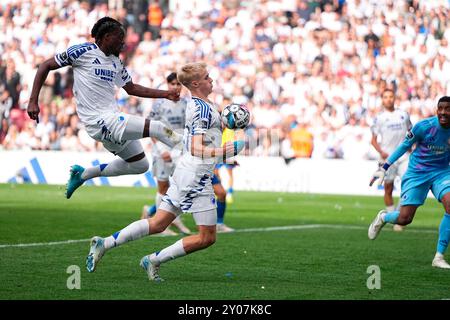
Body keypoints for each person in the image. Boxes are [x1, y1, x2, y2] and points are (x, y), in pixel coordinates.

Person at [85, 62, 245, 281]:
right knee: (206, 237)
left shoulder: (203, 104)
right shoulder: (202, 109)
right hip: (196, 178)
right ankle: (154, 259)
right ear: (196, 83)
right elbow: (197, 147)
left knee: (159, 223)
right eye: (207, 77)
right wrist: (224, 149)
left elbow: (205, 142)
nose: (212, 80)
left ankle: (106, 243)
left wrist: (230, 130)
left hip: (188, 172)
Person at [26, 17, 182, 199]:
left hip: (110, 121)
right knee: (157, 128)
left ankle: (84, 174)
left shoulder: (116, 61)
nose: (122, 43)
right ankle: (192, 151)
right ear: (106, 37)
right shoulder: (83, 51)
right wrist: (32, 100)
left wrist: (165, 93)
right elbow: (46, 65)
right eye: (119, 38)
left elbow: (131, 88)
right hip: (99, 121)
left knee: (140, 165)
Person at [368, 96, 450, 269]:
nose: (443, 112)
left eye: (447, 109)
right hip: (417, 173)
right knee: (404, 219)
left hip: (442, 173)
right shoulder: (423, 127)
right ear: (436, 110)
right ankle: (384, 217)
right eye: (440, 108)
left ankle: (439, 256)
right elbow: (403, 146)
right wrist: (384, 167)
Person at [140, 72, 191, 235]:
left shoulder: (186, 104)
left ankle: (170, 217)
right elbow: (150, 128)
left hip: (179, 150)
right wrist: (162, 150)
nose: (175, 87)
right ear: (167, 85)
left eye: (178, 84)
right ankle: (162, 224)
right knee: (163, 187)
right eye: (172, 84)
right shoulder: (159, 104)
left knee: (181, 186)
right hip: (161, 151)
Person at [371, 89, 412, 232]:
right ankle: (391, 215)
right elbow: (373, 140)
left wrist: (411, 149)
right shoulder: (379, 118)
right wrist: (381, 152)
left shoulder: (403, 115)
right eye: (386, 97)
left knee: (407, 185)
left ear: (395, 98)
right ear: (382, 99)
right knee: (388, 188)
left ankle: (399, 219)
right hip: (387, 158)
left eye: (391, 96)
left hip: (404, 157)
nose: (388, 99)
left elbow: (411, 133)